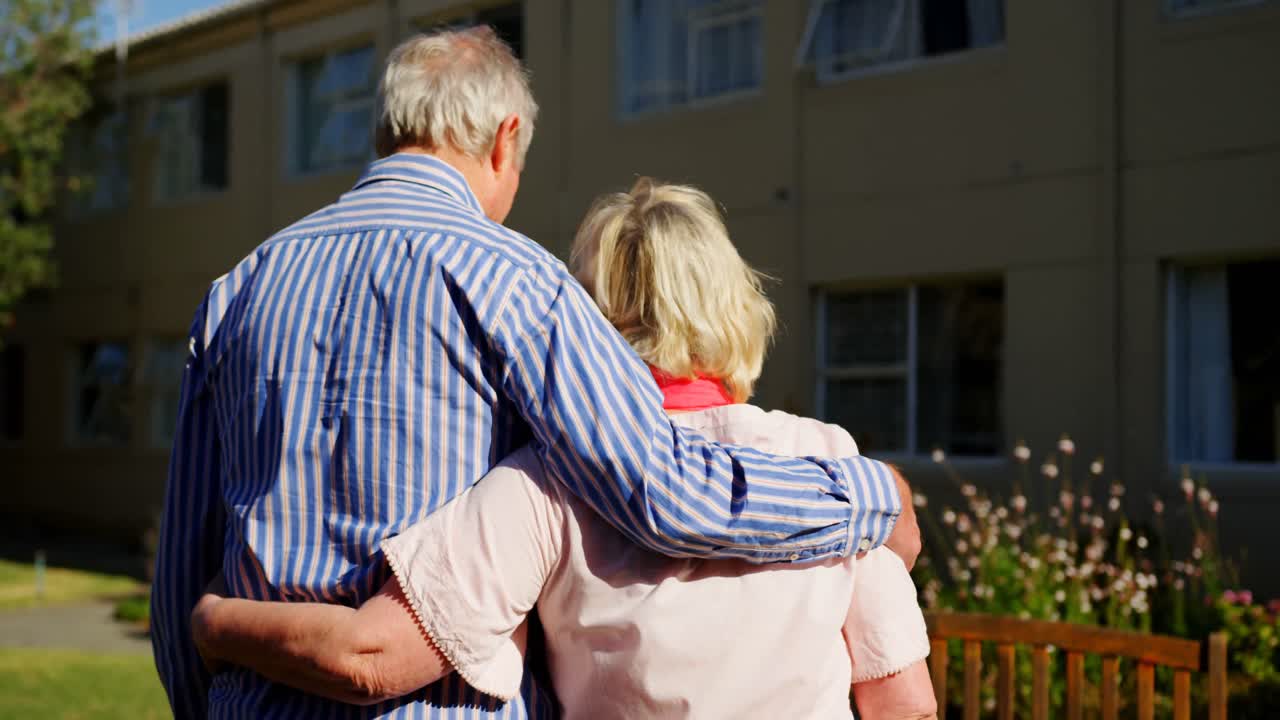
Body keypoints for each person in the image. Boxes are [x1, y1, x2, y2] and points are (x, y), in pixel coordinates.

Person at [151, 27, 918, 719]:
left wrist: (211, 652)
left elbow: (182, 565)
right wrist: (869, 493)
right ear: (504, 138)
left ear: (388, 130)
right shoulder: (515, 279)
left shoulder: (237, 289)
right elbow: (667, 489)